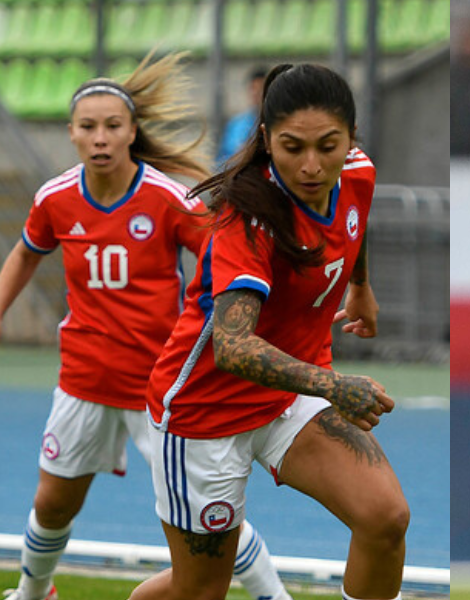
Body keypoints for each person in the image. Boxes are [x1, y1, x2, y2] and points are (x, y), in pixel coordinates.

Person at [0, 52, 292, 600]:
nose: (101, 137)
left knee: (208, 512)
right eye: (89, 127)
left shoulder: (165, 198)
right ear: (72, 135)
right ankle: (32, 594)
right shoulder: (55, 199)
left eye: (113, 125)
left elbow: (224, 261)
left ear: (133, 131)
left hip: (161, 389)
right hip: (84, 380)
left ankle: (273, 595)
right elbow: (23, 255)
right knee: (52, 503)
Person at [127, 63, 408, 600]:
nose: (311, 165)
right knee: (199, 590)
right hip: (204, 414)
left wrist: (360, 286)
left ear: (351, 139)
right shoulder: (248, 218)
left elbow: (355, 214)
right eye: (291, 146)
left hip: (285, 397)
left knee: (385, 517)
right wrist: (332, 385)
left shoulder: (356, 171)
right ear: (264, 140)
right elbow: (231, 347)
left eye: (328, 146)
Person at [216, 65, 268, 166]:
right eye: (253, 88)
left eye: (260, 89)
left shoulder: (276, 124)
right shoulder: (235, 124)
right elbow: (219, 162)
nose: (256, 93)